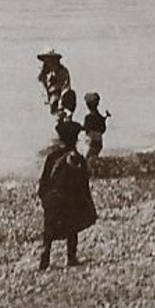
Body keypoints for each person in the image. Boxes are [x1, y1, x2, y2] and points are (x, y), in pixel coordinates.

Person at [38, 120, 96, 269]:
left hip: (52, 200)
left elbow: (44, 180)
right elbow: (82, 184)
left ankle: (45, 258)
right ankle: (71, 257)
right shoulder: (77, 159)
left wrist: (44, 197)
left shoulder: (52, 157)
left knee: (49, 230)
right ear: (74, 140)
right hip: (68, 201)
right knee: (73, 228)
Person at [37, 49, 72, 116]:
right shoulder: (43, 74)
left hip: (61, 100)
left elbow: (66, 87)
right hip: (47, 101)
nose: (48, 61)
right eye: (46, 59)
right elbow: (42, 89)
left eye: (50, 59)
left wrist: (60, 100)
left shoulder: (63, 72)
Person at [81, 91, 110, 166]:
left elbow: (85, 129)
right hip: (99, 142)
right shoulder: (100, 117)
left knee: (86, 159)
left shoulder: (88, 117)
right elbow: (103, 130)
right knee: (93, 158)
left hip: (90, 142)